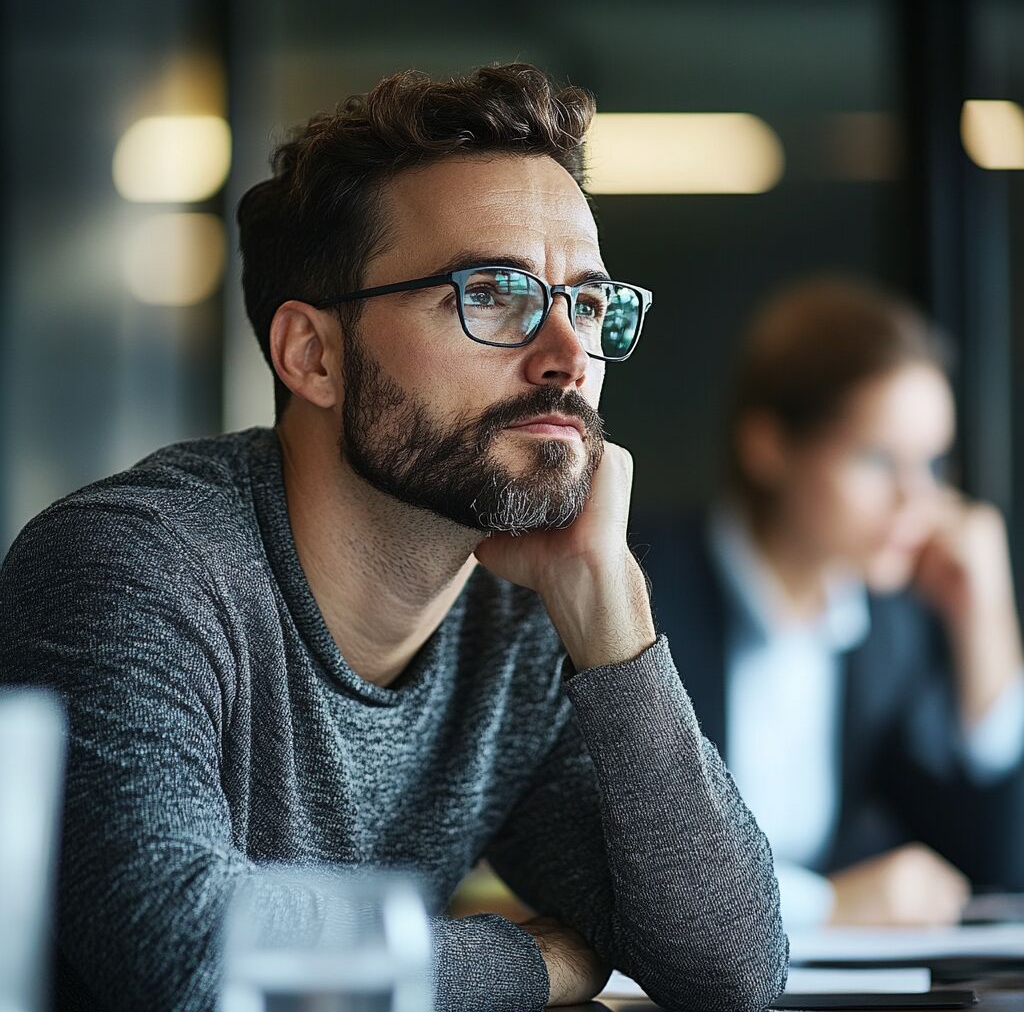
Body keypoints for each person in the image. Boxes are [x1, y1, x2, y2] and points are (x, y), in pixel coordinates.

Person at [0, 65, 788, 1012]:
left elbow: (729, 968)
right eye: (492, 293)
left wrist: (613, 616)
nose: (568, 356)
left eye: (586, 303)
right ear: (313, 356)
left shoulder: (519, 621)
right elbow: (190, 959)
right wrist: (533, 965)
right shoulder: (131, 569)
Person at [636, 276, 1024, 930]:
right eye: (878, 459)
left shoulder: (889, 628)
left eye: (932, 465)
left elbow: (994, 870)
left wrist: (986, 622)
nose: (918, 501)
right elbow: (631, 863)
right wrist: (829, 904)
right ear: (767, 446)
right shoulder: (640, 591)